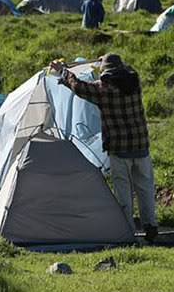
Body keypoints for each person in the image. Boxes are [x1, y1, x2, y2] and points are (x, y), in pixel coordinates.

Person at [50, 53, 158, 242]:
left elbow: (78, 87)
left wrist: (63, 72)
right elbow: (129, 69)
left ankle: (127, 229)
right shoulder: (135, 83)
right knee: (145, 188)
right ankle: (150, 225)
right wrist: (108, 60)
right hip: (141, 147)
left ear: (106, 73)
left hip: (119, 149)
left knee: (123, 191)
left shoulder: (103, 89)